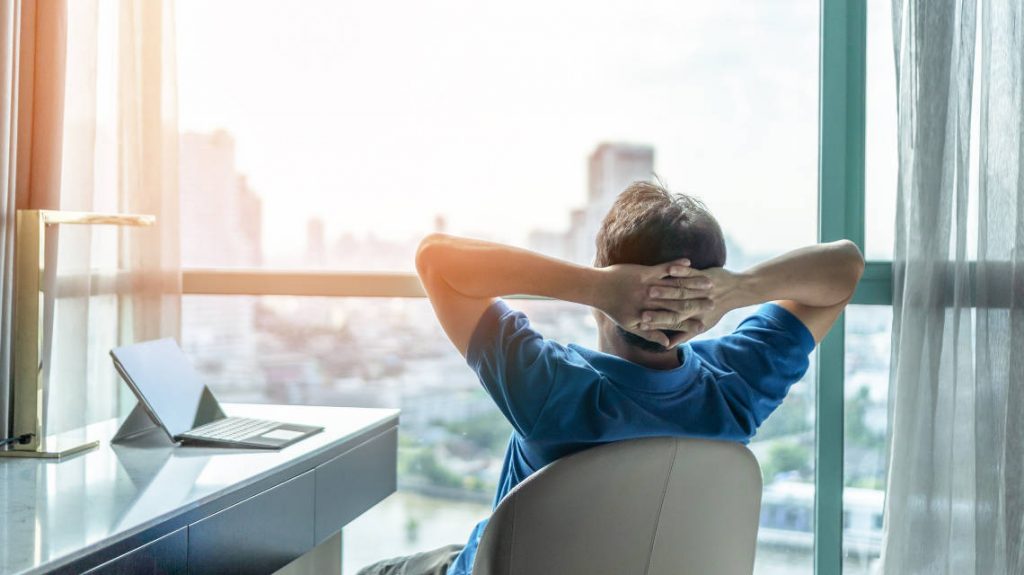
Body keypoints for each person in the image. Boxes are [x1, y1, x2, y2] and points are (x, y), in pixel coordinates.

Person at [357, 181, 864, 575]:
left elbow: (435, 260)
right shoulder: (736, 387)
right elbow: (845, 266)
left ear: (607, 275)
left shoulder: (551, 389)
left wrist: (596, 287)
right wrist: (736, 290)